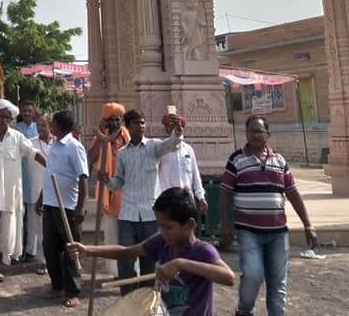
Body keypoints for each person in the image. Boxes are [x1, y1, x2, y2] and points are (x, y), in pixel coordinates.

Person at [67, 187, 235, 316]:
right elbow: (126, 252)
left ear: (190, 224)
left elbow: (228, 277)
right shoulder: (162, 242)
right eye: (159, 226)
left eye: (168, 227)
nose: (163, 231)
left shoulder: (203, 251)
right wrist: (87, 250)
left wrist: (180, 264)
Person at [221, 116, 317, 316]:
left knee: (277, 282)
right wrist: (225, 226)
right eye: (251, 131)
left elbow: (293, 193)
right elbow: (225, 194)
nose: (255, 135)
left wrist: (308, 225)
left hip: (277, 233)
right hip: (248, 232)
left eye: (259, 131)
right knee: (253, 275)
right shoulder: (236, 159)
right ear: (246, 133)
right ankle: (244, 311)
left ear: (268, 134)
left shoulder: (279, 160)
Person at [103, 108, 182, 294]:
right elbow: (118, 182)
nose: (141, 126)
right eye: (137, 123)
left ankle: (146, 301)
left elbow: (172, 144)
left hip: (150, 214)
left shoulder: (154, 147)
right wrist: (107, 181)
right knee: (125, 259)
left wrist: (177, 131)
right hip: (128, 214)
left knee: (149, 260)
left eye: (143, 122)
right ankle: (129, 298)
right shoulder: (122, 153)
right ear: (128, 126)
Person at [0, 98, 45, 283]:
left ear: (11, 119)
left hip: (10, 196)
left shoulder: (18, 137)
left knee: (5, 234)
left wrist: (51, 166)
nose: (4, 120)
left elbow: (33, 153)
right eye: (1, 116)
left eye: (8, 117)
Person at [36, 109, 88, 309]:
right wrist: (41, 198)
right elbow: (50, 173)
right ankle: (56, 285)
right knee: (50, 248)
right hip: (50, 204)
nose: (50, 126)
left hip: (68, 206)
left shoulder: (74, 147)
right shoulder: (54, 145)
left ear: (59, 126)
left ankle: (73, 291)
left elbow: (83, 177)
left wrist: (81, 207)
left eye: (52, 123)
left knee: (71, 251)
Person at [87, 101, 130, 279]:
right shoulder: (101, 138)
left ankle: (128, 269)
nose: (115, 123)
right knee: (112, 234)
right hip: (109, 194)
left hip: (128, 195)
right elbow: (90, 157)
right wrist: (101, 136)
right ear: (105, 121)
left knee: (128, 236)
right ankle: (115, 271)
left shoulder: (127, 137)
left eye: (118, 119)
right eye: (111, 119)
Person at [158, 112, 207, 215]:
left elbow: (195, 176)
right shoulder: (161, 148)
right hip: (167, 201)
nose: (176, 129)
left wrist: (201, 197)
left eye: (179, 126)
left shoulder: (188, 150)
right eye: (172, 126)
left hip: (186, 201)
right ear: (166, 128)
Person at [26, 112, 52, 276]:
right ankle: (43, 261)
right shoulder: (30, 144)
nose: (41, 128)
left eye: (44, 125)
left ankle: (54, 259)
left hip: (56, 194)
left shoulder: (58, 144)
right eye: (38, 125)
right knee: (40, 230)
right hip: (36, 193)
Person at [13, 99, 38, 262]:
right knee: (17, 217)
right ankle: (17, 249)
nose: (27, 113)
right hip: (18, 176)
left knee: (33, 218)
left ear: (33, 112)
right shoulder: (15, 129)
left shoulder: (38, 128)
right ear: (20, 112)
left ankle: (31, 251)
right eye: (25, 110)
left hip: (34, 177)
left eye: (30, 111)